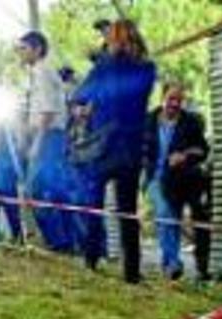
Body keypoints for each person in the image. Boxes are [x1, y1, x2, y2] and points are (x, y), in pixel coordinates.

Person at [72, 19, 157, 284]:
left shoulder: (105, 66)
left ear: (115, 40)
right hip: (131, 147)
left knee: (93, 205)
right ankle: (131, 272)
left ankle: (91, 259)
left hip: (103, 145)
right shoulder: (148, 69)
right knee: (127, 211)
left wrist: (88, 106)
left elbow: (80, 96)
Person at [144, 81, 211, 281]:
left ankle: (169, 263)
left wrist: (184, 155)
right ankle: (173, 263)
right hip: (154, 179)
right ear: (162, 98)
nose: (175, 103)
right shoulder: (148, 121)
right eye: (171, 98)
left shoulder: (190, 122)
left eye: (179, 100)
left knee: (171, 217)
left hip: (178, 181)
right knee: (165, 213)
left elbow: (202, 150)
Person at [18, 30, 78, 253]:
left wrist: (37, 143)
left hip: (49, 138)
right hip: (49, 136)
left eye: (24, 48)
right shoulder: (38, 73)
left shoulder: (43, 72)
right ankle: (67, 241)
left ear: (37, 49)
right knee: (54, 191)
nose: (20, 53)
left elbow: (48, 112)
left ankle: (59, 242)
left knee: (38, 190)